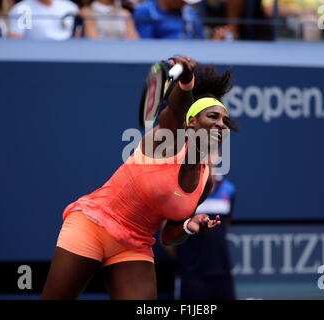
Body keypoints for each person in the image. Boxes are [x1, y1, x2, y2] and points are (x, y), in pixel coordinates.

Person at [41, 56, 236, 300]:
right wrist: (186, 80)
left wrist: (188, 226)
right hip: (92, 225)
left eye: (225, 122)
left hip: (135, 245)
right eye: (213, 118)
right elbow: (176, 109)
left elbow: (168, 234)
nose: (221, 125)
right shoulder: (166, 142)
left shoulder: (206, 181)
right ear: (192, 122)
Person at [165, 174, 236, 300]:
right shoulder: (179, 191)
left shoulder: (229, 189)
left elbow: (225, 225)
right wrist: (185, 261)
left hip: (221, 274)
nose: (208, 157)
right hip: (191, 275)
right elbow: (167, 234)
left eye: (212, 154)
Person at [133, 0, 205, 39]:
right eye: (182, 1)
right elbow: (146, 46)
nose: (184, 4)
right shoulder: (145, 11)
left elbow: (199, 41)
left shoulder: (190, 13)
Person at [9, 0, 79, 40]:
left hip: (67, 55)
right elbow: (16, 40)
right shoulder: (23, 8)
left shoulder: (69, 6)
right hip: (36, 56)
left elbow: (79, 35)